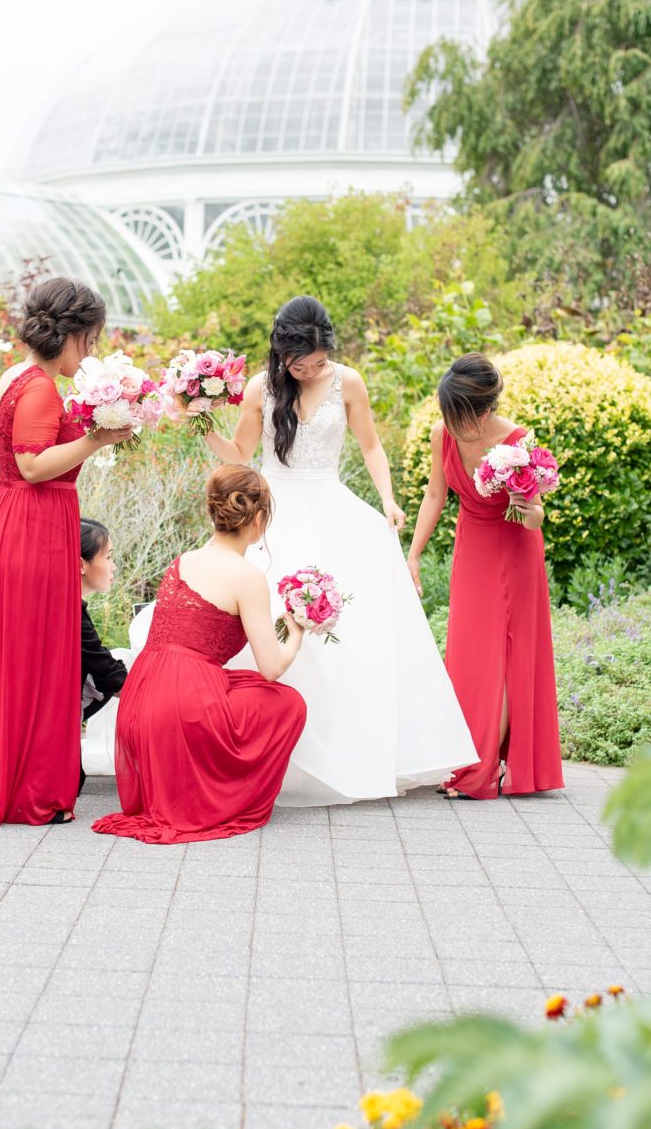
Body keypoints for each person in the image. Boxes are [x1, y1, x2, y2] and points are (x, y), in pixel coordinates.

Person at [140, 295, 475, 806]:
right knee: (271, 616)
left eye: (320, 361)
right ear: (282, 354)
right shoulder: (259, 388)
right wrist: (203, 420)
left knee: (355, 629)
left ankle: (354, 751)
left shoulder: (349, 382)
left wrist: (387, 499)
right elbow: (240, 456)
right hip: (271, 513)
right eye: (303, 363)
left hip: (334, 508)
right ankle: (270, 751)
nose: (314, 369)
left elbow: (370, 446)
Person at [0, 278, 133, 826]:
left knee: (15, 661)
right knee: (38, 663)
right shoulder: (40, 387)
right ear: (70, 333)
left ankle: (12, 784)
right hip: (32, 528)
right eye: (88, 340)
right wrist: (99, 438)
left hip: (9, 520)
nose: (89, 351)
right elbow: (35, 465)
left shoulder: (14, 376)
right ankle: (32, 796)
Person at [92, 465, 307, 844]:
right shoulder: (247, 576)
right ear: (258, 518)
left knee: (236, 684)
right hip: (181, 705)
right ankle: (224, 794)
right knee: (287, 702)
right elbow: (272, 668)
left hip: (140, 701)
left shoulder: (182, 561)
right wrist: (297, 632)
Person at [407, 352, 564, 800]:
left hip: (515, 548)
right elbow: (435, 495)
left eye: (462, 414)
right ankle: (467, 756)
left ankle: (483, 768)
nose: (453, 423)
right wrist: (413, 555)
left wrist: (530, 507)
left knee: (509, 651)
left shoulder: (519, 441)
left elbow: (535, 520)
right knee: (471, 651)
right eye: (448, 413)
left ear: (486, 408)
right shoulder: (443, 433)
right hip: (472, 547)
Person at [0, 519, 127, 799]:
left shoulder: (37, 598)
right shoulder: (63, 610)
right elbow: (111, 675)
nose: (114, 566)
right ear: (81, 564)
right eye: (109, 557)